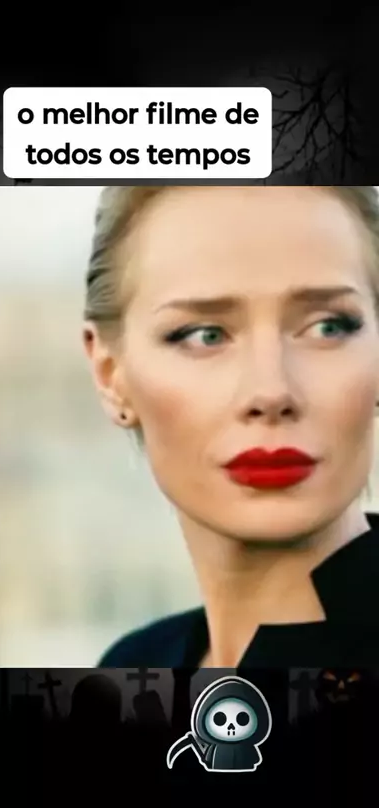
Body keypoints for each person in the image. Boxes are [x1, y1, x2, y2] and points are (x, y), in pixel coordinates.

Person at [82, 185, 379, 668]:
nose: (271, 391)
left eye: (327, 326)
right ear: (110, 373)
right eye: (205, 335)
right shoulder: (133, 667)